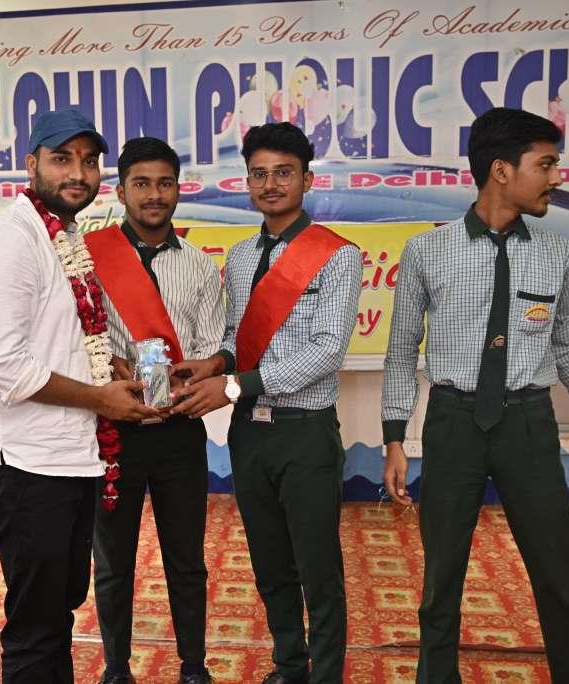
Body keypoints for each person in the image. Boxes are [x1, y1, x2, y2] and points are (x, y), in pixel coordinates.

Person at [380, 107, 569, 684]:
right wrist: (393, 438)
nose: (557, 178)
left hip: (529, 425)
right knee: (442, 574)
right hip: (453, 422)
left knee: (556, 569)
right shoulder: (426, 252)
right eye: (546, 164)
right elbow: (401, 351)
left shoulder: (559, 255)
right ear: (501, 170)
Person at [0, 108, 159, 683]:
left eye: (89, 162)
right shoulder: (14, 240)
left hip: (67, 457)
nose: (78, 173)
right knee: (36, 627)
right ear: (31, 164)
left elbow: (53, 340)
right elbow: (1, 364)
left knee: (57, 609)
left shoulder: (62, 236)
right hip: (24, 462)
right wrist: (100, 398)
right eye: (62, 159)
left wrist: (107, 365)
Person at [169, 122, 363, 684]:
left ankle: (327, 675)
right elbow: (239, 339)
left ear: (307, 179)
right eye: (259, 174)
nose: (270, 184)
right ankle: (289, 666)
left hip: (305, 433)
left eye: (283, 173)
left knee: (318, 569)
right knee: (271, 564)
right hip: (250, 435)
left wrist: (233, 387)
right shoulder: (239, 256)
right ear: (248, 181)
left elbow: (326, 352)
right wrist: (214, 364)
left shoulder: (337, 255)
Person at [83, 137, 224, 684]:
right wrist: (107, 366)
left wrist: (193, 374)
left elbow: (209, 345)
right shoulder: (88, 259)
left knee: (186, 560)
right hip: (113, 432)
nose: (154, 194)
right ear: (120, 191)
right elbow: (72, 339)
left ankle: (194, 667)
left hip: (179, 433)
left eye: (165, 183)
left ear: (178, 190)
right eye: (141, 183)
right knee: (113, 562)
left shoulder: (199, 266)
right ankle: (116, 668)